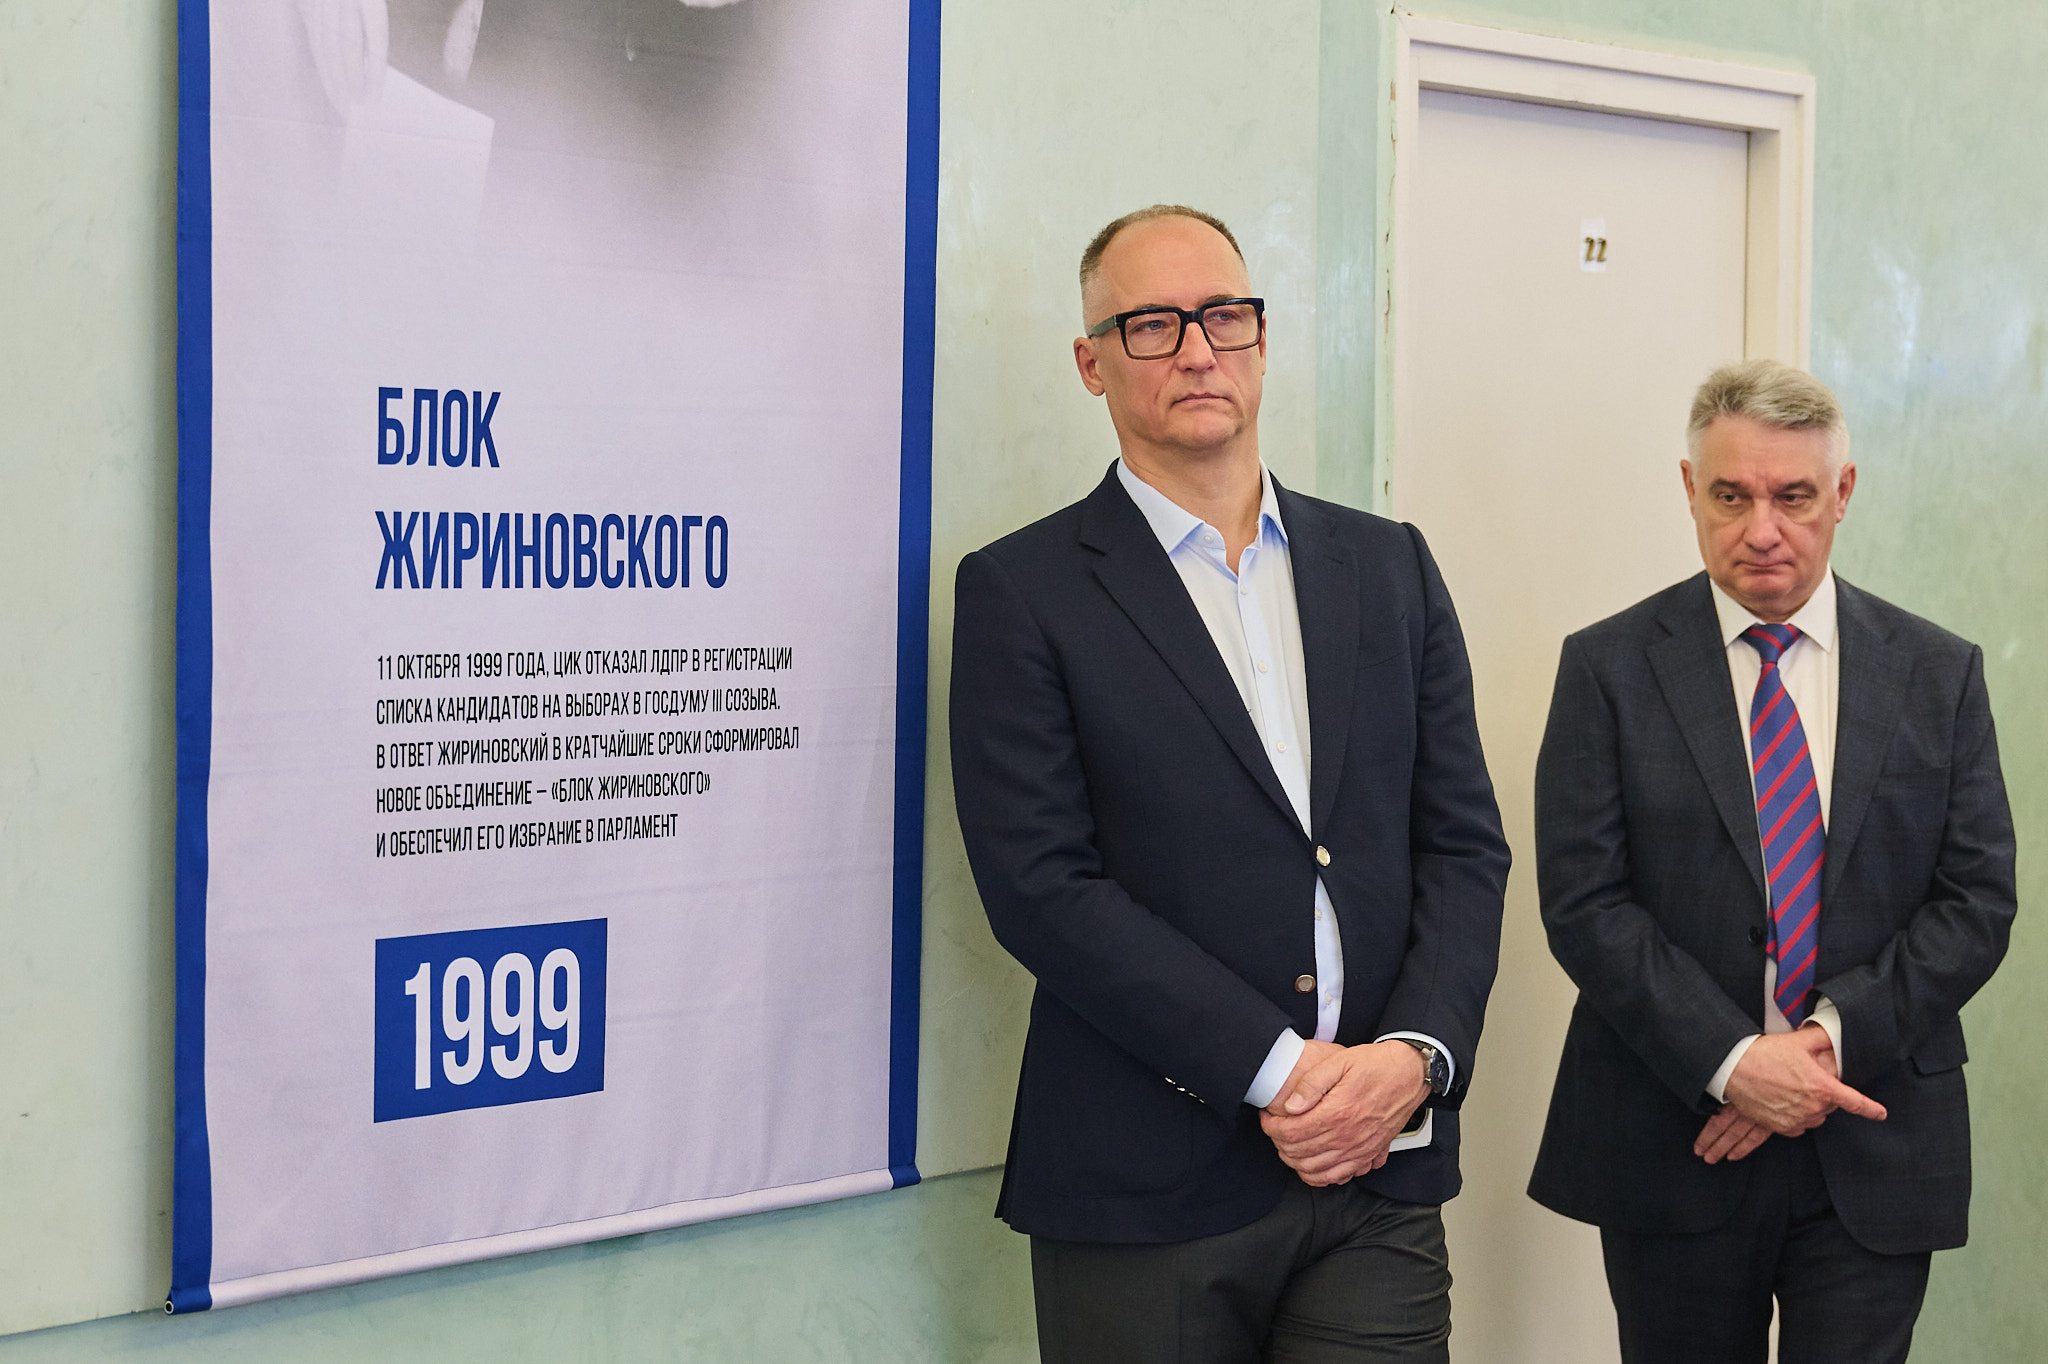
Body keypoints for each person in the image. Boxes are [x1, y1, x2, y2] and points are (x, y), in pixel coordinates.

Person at [949, 203, 1510, 1363]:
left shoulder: (1388, 566)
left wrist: (1411, 1057)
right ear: (1090, 362)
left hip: (1377, 1166)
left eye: (1223, 316)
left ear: (1261, 337)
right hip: (1145, 1182)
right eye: (1151, 324)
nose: (1197, 349)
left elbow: (1461, 845)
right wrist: (1284, 1072)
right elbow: (1040, 888)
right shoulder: (1024, 591)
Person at [1527, 359, 2017, 1363]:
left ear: (1842, 492)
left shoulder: (1939, 673)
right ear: (1688, 489)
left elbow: (1975, 901)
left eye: (1792, 496)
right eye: (1730, 496)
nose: (1761, 529)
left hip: (1874, 1131)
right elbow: (1584, 902)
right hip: (1675, 1134)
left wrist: (1817, 1049)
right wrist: (1736, 1062)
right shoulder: (1607, 668)